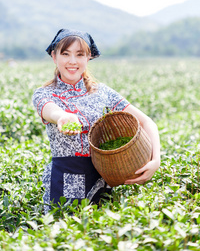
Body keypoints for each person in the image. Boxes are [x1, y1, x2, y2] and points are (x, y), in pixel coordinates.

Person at [32, 28, 160, 213]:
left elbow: (147, 123)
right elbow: (49, 110)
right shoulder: (45, 93)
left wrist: (155, 160)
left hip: (105, 178)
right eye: (65, 54)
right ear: (54, 56)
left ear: (88, 57)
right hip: (66, 181)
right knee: (67, 234)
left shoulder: (102, 92)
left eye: (79, 54)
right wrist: (62, 117)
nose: (72, 61)